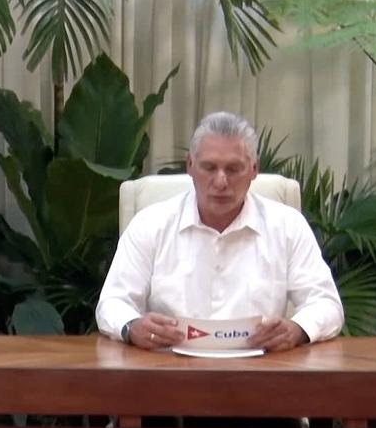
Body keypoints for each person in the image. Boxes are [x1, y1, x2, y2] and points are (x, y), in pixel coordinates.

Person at [96, 111, 343, 353]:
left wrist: (298, 329)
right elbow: (112, 302)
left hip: (261, 374)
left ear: (254, 169)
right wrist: (131, 326)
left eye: (234, 169)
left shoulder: (288, 226)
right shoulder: (150, 224)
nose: (221, 182)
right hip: (170, 371)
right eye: (209, 167)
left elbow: (326, 304)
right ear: (190, 166)